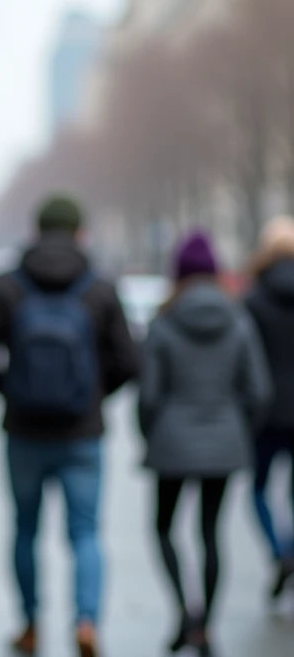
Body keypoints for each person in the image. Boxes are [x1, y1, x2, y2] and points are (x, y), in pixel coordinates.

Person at [0, 194, 139, 657]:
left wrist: (9, 391)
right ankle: (86, 622)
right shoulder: (99, 285)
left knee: (25, 530)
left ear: (35, 230)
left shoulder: (7, 284)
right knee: (85, 532)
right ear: (80, 232)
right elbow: (128, 359)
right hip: (84, 434)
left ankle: (29, 623)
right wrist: (93, 396)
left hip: (23, 433)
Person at [139, 231, 271, 656]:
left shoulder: (163, 322)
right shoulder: (238, 320)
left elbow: (149, 395)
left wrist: (152, 433)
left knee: (163, 528)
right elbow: (258, 391)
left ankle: (183, 612)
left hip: (171, 443)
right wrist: (238, 430)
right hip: (225, 440)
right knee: (211, 534)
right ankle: (206, 626)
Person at [244, 215, 294, 600]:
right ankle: (290, 550)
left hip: (264, 412)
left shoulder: (253, 298)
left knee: (258, 488)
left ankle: (279, 551)